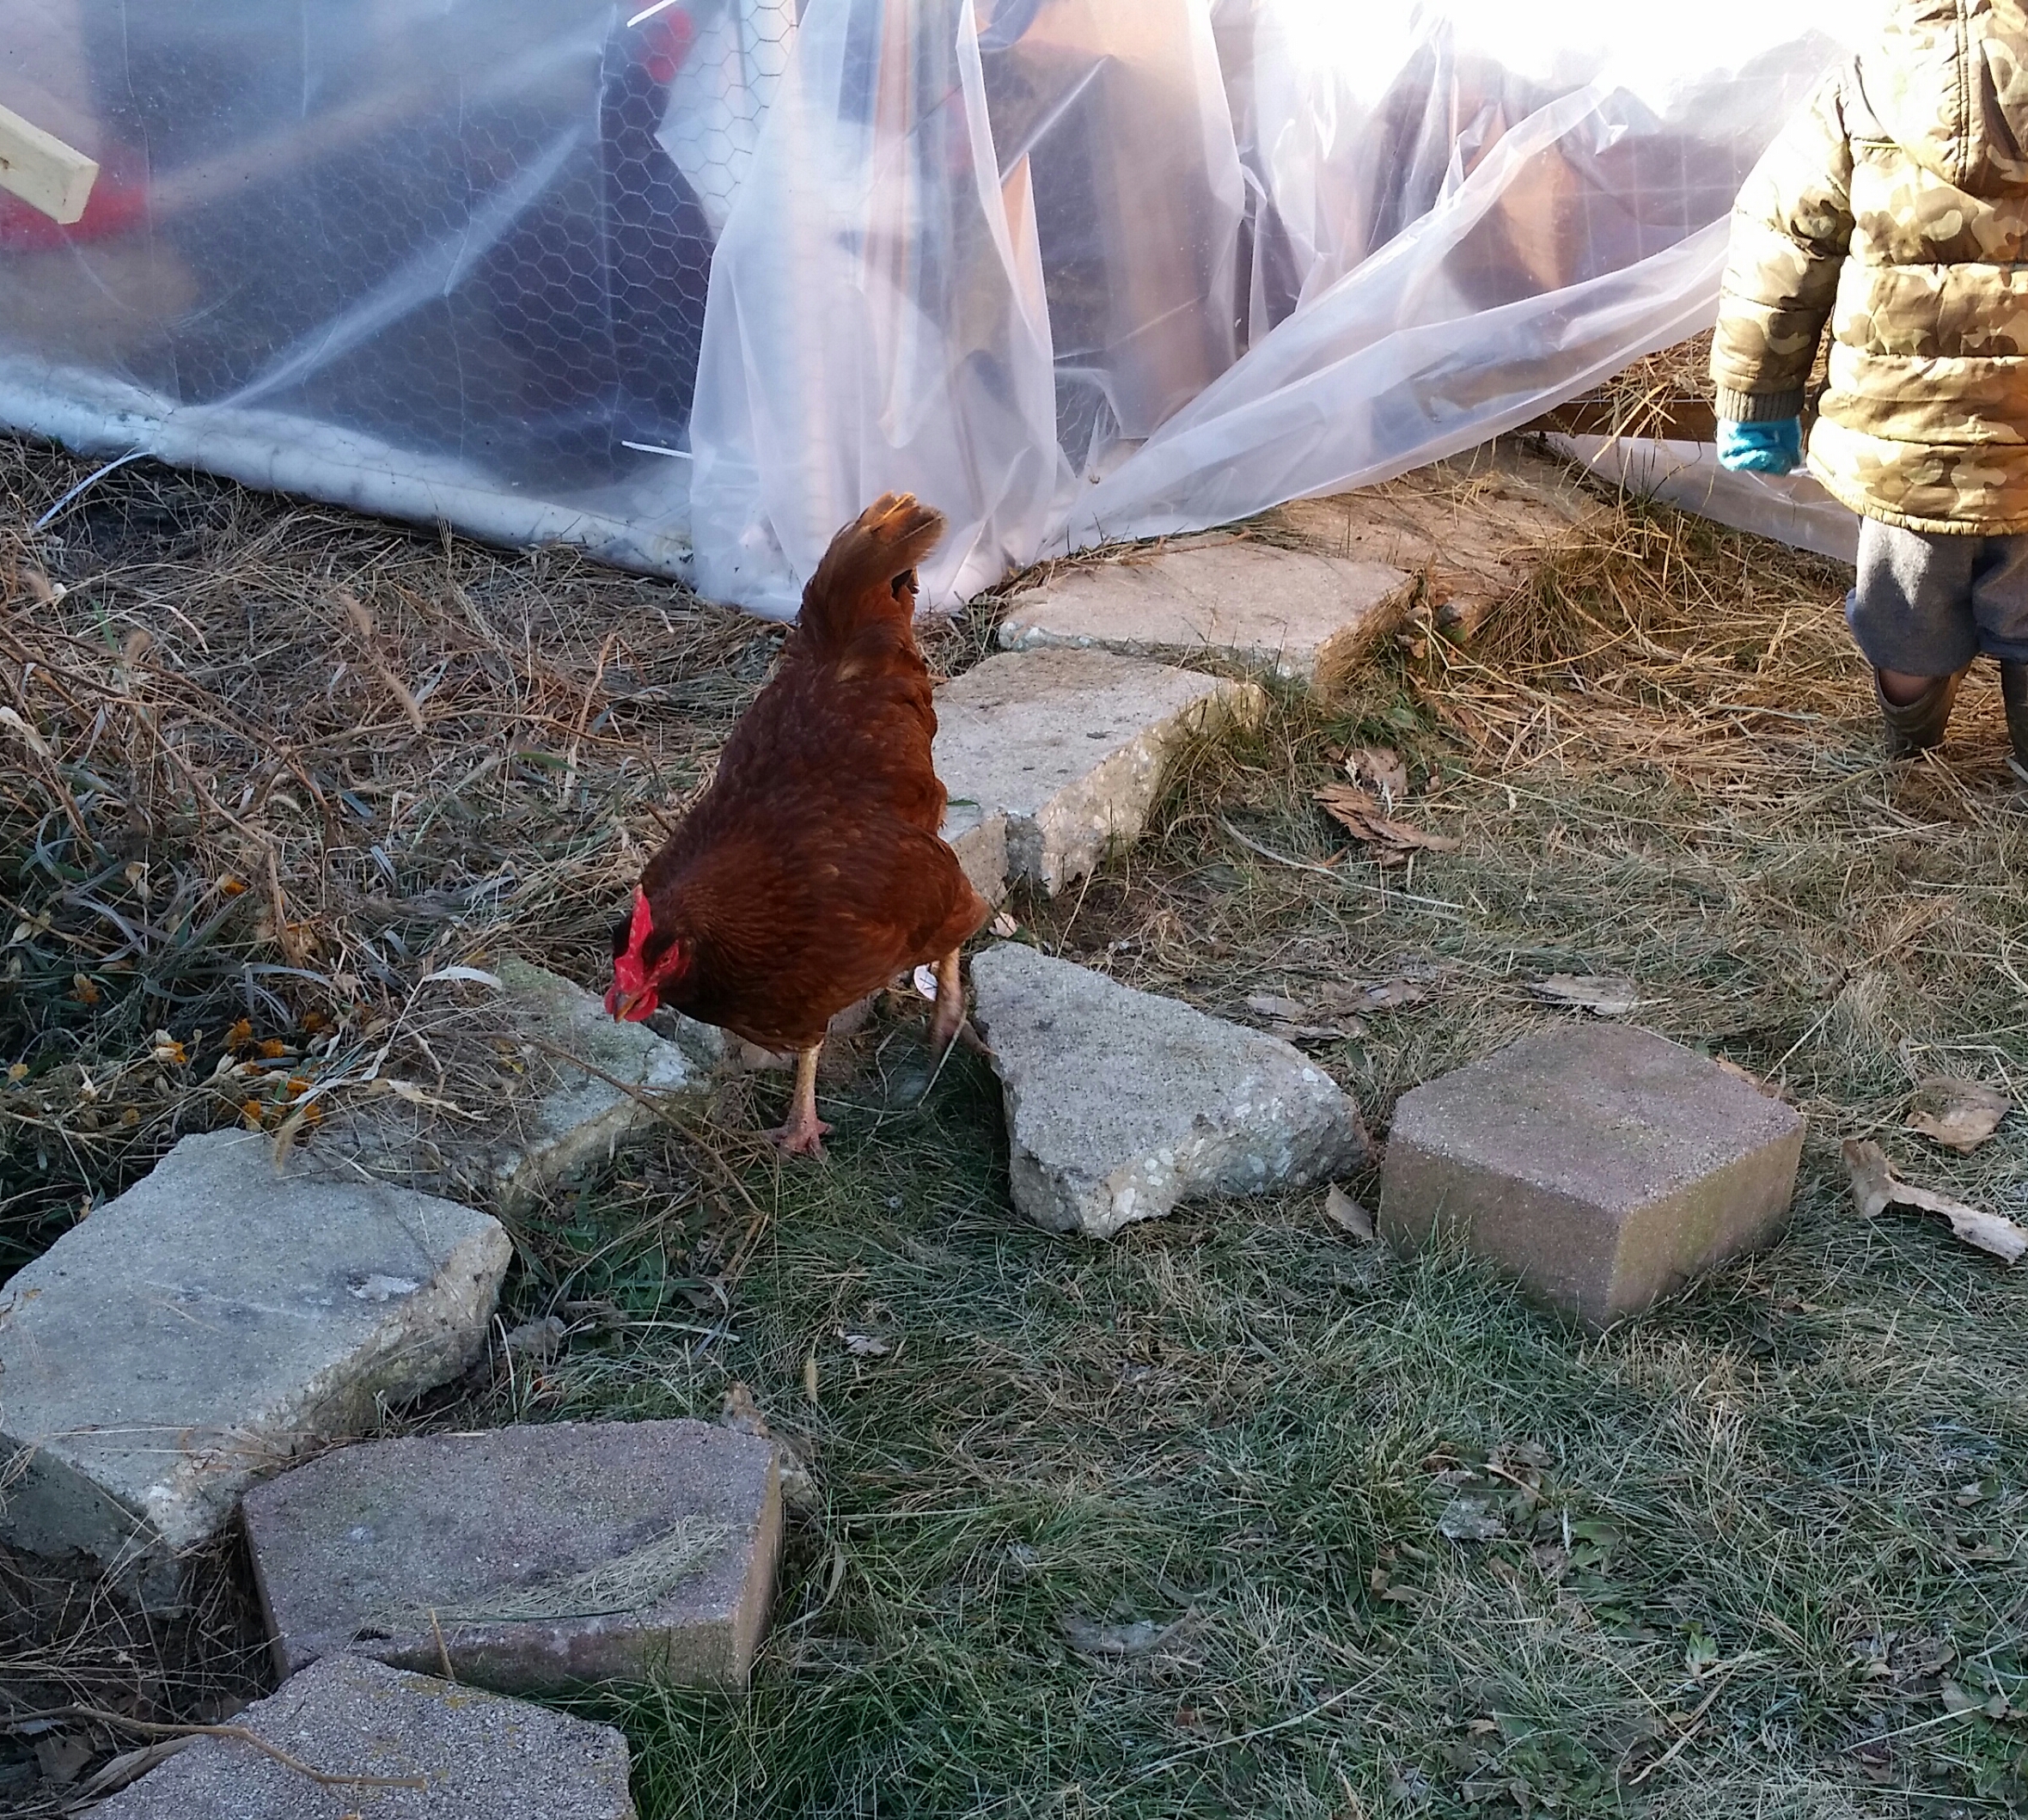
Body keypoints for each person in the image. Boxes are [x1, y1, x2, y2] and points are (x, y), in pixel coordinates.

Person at [1710, 0, 2028, 774]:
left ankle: (1913, 743)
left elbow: (1781, 243)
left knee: (1904, 619)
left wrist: (1758, 401)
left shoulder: (1861, 84)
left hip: (1900, 441)